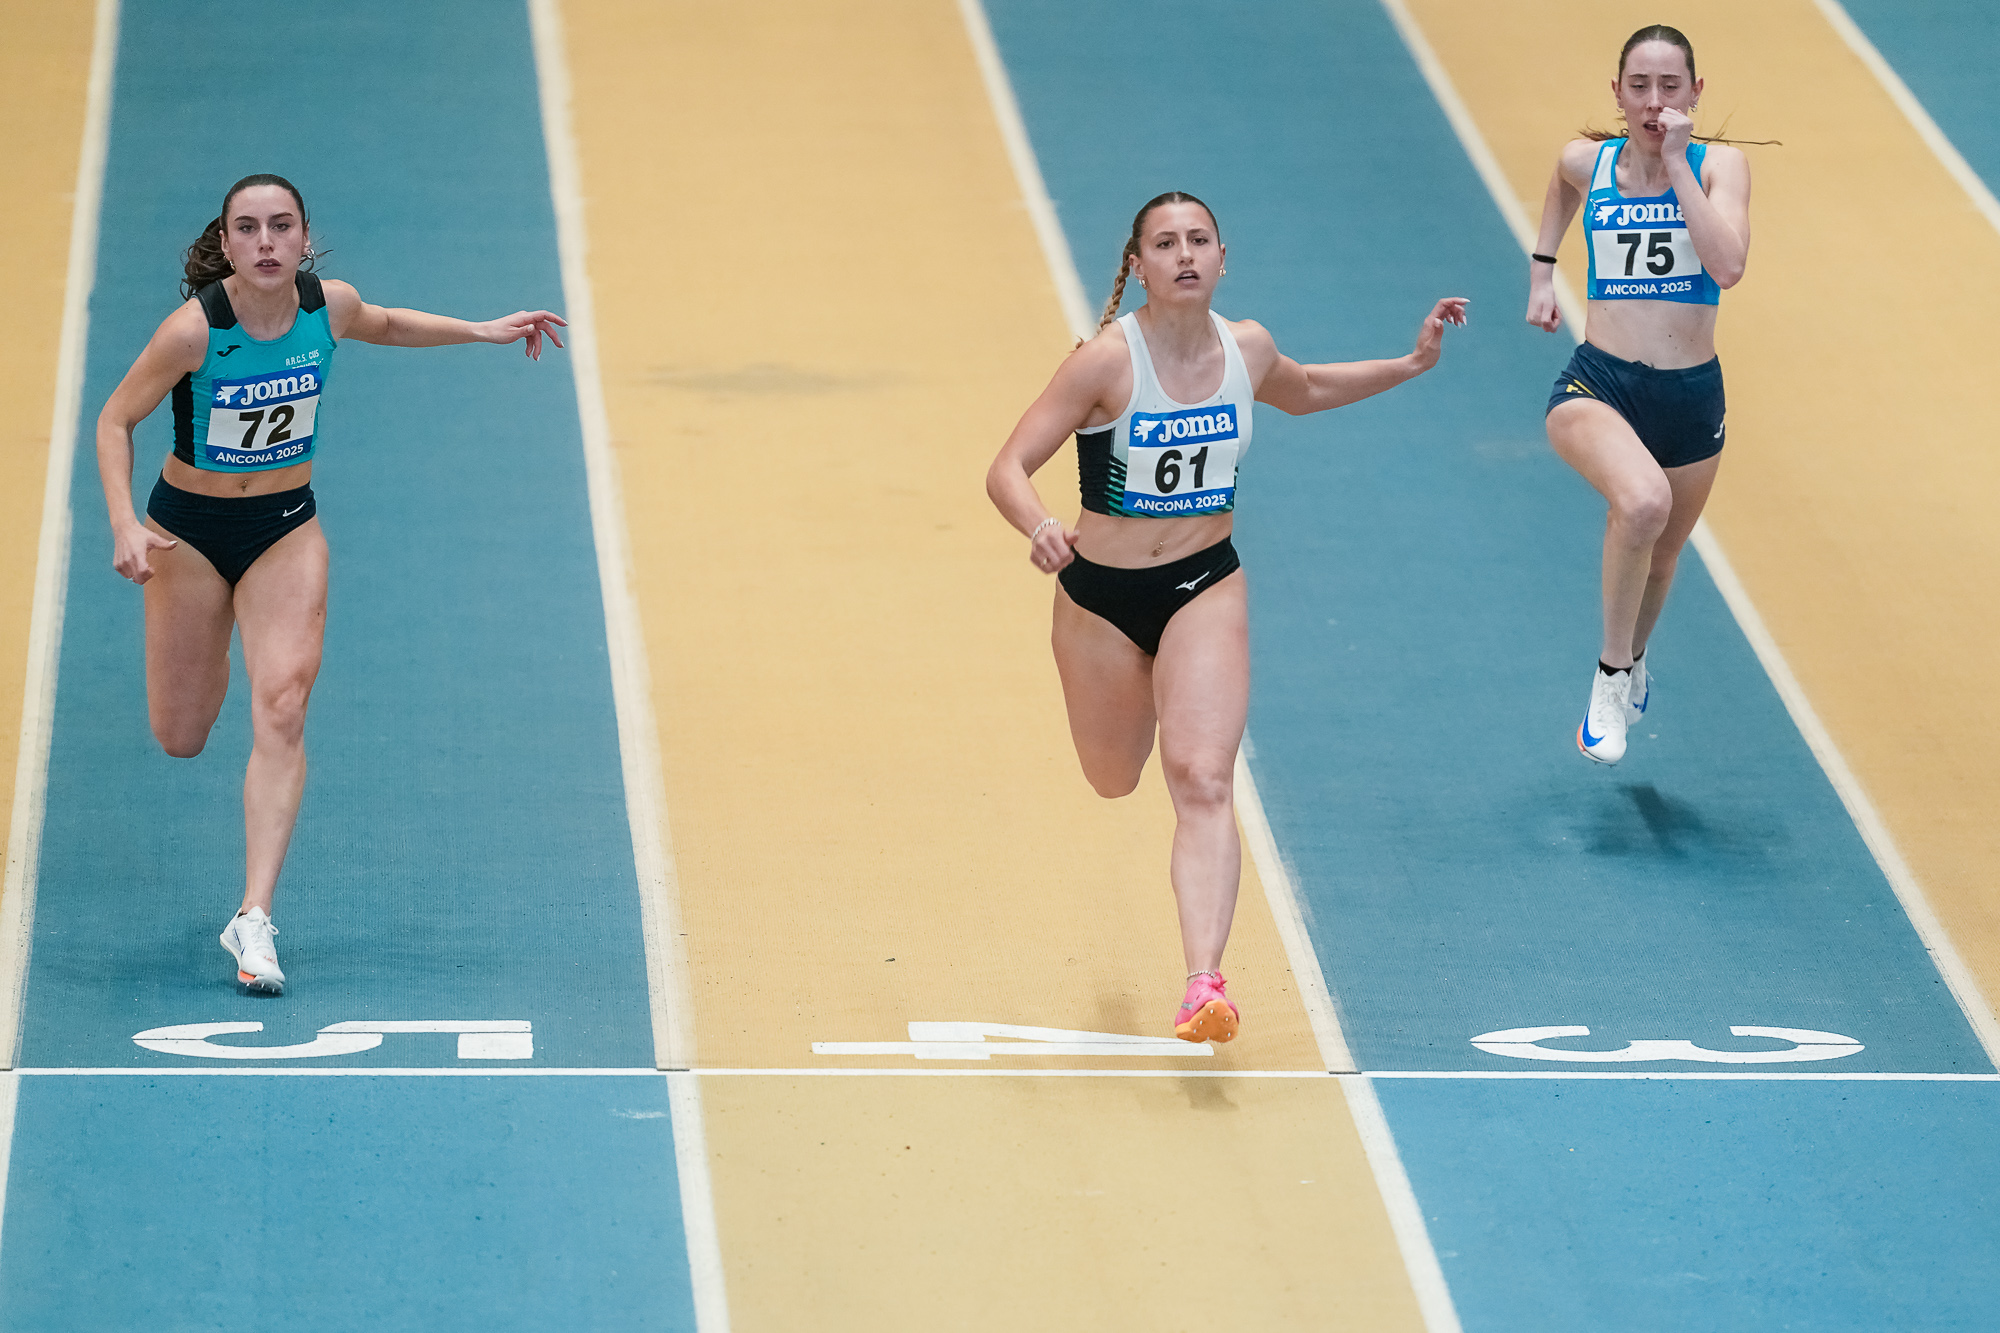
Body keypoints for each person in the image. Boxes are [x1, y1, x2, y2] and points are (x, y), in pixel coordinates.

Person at [986, 191, 1466, 1042]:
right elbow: (1008, 467)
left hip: (1205, 585)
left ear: (1220, 256)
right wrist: (1040, 526)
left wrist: (1410, 363)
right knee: (1112, 776)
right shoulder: (1105, 363)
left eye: (1199, 239)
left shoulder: (1248, 348)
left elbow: (1306, 388)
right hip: (1100, 599)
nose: (1184, 254)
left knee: (1203, 776)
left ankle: (1203, 984)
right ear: (1138, 265)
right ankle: (1138, 710)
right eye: (1165, 243)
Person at [94, 173, 565, 994]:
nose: (266, 242)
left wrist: (483, 330)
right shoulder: (194, 330)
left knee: (282, 702)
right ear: (227, 243)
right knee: (181, 733)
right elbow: (114, 419)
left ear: (304, 238)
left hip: (284, 528)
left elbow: (388, 322)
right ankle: (212, 640)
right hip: (190, 535)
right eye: (249, 228)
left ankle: (254, 916)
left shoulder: (328, 306)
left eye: (282, 226)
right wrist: (123, 523)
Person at [1527, 24, 1752, 764]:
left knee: (1662, 557)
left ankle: (1633, 657)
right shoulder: (1588, 161)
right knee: (1643, 504)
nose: (1655, 102)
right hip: (1600, 382)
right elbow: (1561, 183)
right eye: (1640, 86)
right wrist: (1542, 269)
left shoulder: (1720, 167)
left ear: (1695, 93)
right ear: (1617, 94)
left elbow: (1727, 267)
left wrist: (1679, 165)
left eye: (1670, 87)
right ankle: (1609, 675)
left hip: (1690, 395)